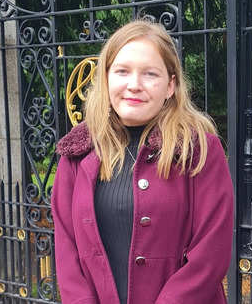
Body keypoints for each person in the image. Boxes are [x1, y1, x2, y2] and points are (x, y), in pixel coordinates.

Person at [51, 20, 234, 304]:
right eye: (122, 71)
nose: (134, 85)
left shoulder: (198, 150)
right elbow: (66, 249)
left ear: (170, 85)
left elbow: (211, 252)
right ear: (107, 78)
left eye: (150, 74)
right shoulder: (77, 154)